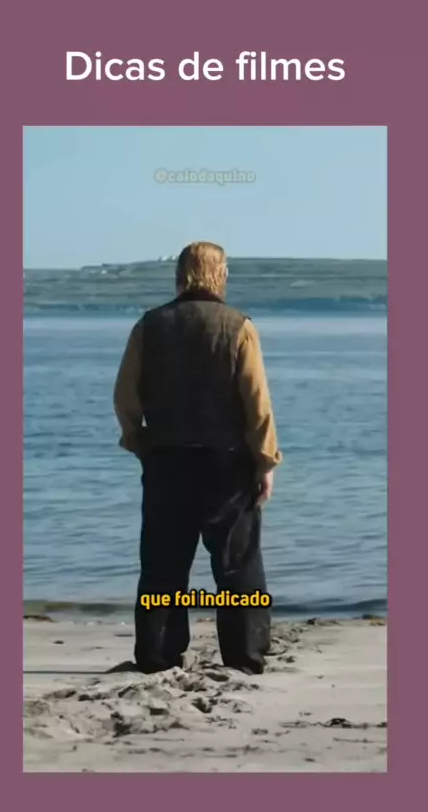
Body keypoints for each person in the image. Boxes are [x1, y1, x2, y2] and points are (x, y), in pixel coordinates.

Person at [113, 242, 282, 674]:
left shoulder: (149, 326)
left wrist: (138, 440)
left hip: (166, 459)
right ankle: (244, 654)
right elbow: (256, 403)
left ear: (180, 274)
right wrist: (265, 461)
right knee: (236, 563)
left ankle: (158, 654)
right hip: (226, 462)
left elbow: (125, 394)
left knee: (163, 562)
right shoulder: (238, 326)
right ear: (220, 274)